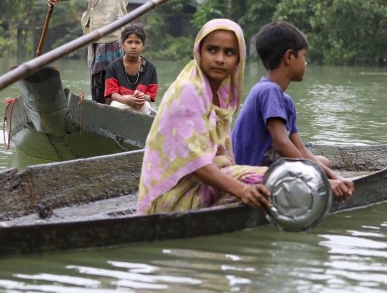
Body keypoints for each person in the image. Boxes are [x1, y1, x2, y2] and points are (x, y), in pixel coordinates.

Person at [137, 19, 272, 214]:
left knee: (275, 176)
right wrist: (242, 190)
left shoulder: (222, 94)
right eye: (212, 50)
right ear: (199, 52)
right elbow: (196, 162)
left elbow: (223, 154)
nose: (220, 59)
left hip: (202, 183)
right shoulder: (189, 90)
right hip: (171, 198)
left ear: (238, 61)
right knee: (271, 179)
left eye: (229, 53)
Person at [232, 21, 354, 201]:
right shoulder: (268, 91)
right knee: (318, 167)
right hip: (251, 172)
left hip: (272, 167)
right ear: (289, 57)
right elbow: (281, 143)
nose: (306, 63)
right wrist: (321, 181)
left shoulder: (285, 101)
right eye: (303, 56)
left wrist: (335, 176)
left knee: (324, 162)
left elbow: (301, 150)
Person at [104, 24, 158, 115]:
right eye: (129, 42)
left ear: (143, 46)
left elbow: (150, 95)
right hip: (120, 104)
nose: (133, 46)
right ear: (123, 45)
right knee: (114, 106)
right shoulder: (113, 67)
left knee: (147, 106)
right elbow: (113, 94)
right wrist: (126, 100)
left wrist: (142, 97)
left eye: (137, 42)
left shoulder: (150, 68)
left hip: (141, 105)